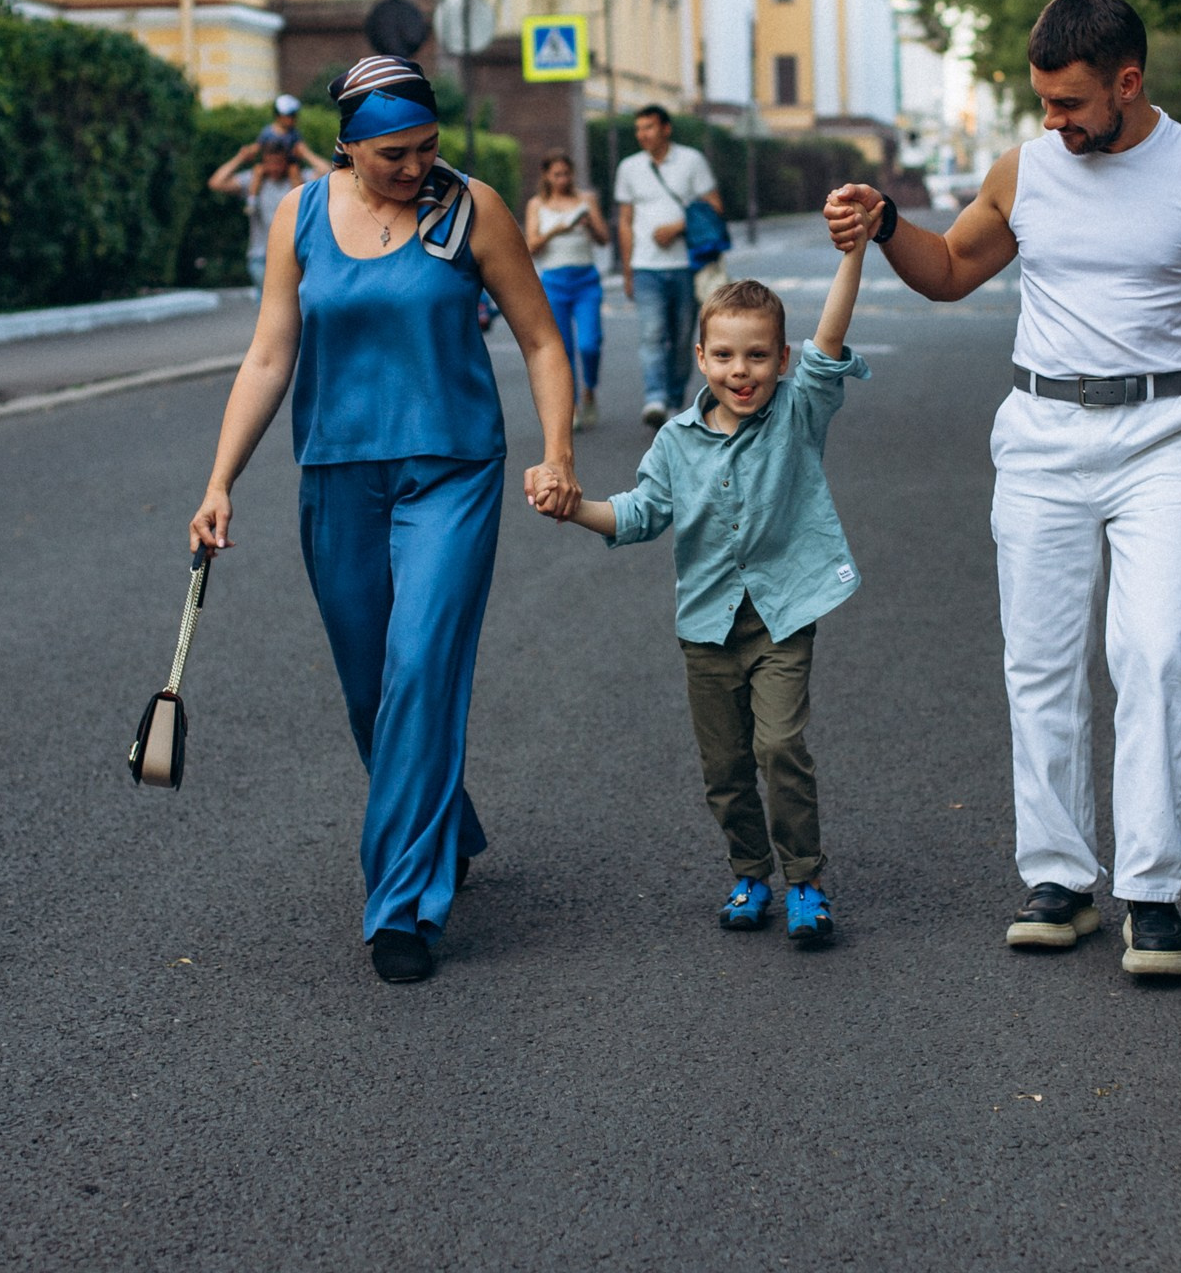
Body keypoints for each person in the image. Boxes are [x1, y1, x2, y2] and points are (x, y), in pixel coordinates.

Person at [823, 0, 1181, 978]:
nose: (1053, 122)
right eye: (1042, 102)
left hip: (1162, 436)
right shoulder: (1025, 170)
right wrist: (889, 221)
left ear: (1128, 80)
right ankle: (1060, 879)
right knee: (1040, 659)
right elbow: (946, 271)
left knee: (1158, 651)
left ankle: (1151, 895)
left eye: (1069, 103)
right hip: (1038, 435)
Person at [188, 55, 581, 986]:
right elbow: (269, 356)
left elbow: (539, 339)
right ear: (349, 147)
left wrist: (557, 451)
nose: (415, 169)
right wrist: (220, 481)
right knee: (370, 687)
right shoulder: (303, 213)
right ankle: (450, 822)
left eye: (428, 149)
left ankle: (402, 904)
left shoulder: (471, 210)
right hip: (336, 475)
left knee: (419, 668)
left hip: (450, 471)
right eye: (394, 155)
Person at [547, 241, 871, 947]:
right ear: (700, 359)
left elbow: (831, 337)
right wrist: (574, 508)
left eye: (757, 356)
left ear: (781, 360)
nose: (741, 372)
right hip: (707, 627)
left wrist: (857, 251)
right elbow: (637, 516)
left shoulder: (798, 412)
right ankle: (750, 872)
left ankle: (806, 881)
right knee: (724, 767)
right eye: (724, 356)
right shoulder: (675, 442)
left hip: (782, 614)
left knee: (779, 744)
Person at [614, 104, 723, 428]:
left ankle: (675, 398)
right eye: (638, 129)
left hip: (686, 266)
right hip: (646, 267)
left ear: (666, 128)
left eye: (648, 127)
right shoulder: (629, 167)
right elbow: (625, 221)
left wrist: (677, 227)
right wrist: (627, 269)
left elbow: (714, 206)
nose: (642, 134)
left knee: (681, 338)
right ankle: (655, 397)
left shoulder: (691, 161)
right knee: (652, 333)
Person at [524, 150, 610, 429]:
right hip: (553, 282)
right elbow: (531, 247)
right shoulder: (537, 204)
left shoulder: (586, 200)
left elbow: (603, 239)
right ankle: (570, 405)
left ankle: (590, 390)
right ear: (546, 176)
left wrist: (590, 224)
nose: (562, 179)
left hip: (585, 279)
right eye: (557, 174)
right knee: (563, 349)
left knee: (589, 343)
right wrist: (556, 230)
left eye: (566, 173)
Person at [208, 139, 302, 289]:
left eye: (278, 162)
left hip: (292, 256)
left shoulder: (297, 178)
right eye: (269, 162)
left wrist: (305, 154)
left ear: (287, 162)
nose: (274, 167)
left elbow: (329, 173)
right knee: (268, 309)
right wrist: (241, 157)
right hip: (261, 256)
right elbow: (216, 182)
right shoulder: (254, 180)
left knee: (290, 309)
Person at [261, 92, 324, 173]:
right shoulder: (267, 132)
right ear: (279, 116)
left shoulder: (294, 134)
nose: (293, 119)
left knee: (293, 170)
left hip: (290, 170)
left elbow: (303, 151)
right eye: (290, 115)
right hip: (270, 171)